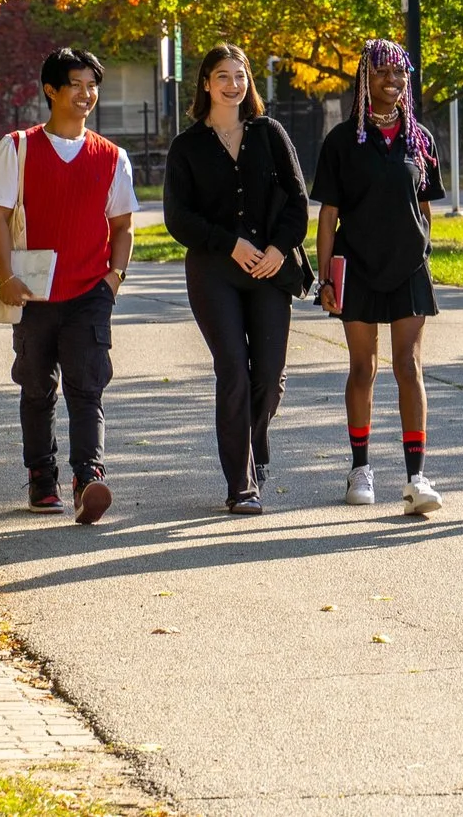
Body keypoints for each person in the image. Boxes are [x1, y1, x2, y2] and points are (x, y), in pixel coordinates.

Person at [0, 47, 139, 524]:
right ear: (51, 89)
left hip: (90, 292)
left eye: (93, 85)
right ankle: (41, 476)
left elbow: (124, 225)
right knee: (36, 387)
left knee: (87, 387)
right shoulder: (18, 147)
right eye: (76, 84)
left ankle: (88, 476)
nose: (87, 94)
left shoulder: (113, 157)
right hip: (30, 289)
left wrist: (114, 279)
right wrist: (6, 276)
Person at [163, 44, 312, 514]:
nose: (233, 85)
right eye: (223, 76)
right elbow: (177, 217)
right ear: (205, 83)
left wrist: (277, 248)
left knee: (266, 376)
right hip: (214, 273)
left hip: (270, 270)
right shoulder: (187, 146)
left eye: (240, 76)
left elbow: (297, 200)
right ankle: (241, 484)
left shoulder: (270, 133)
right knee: (233, 371)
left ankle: (255, 443)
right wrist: (229, 243)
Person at [312, 38, 447, 516]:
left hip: (408, 268)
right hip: (358, 268)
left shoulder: (420, 139)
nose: (391, 81)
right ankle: (360, 468)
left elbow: (425, 208)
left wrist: (423, 251)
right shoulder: (343, 141)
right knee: (363, 369)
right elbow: (328, 216)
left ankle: (416, 477)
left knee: (408, 366)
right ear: (364, 80)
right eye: (381, 73)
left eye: (399, 73)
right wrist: (326, 276)